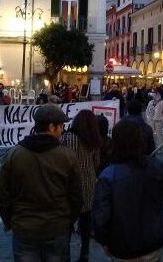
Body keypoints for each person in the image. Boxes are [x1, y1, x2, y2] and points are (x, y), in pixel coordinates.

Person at [0, 104, 82, 261]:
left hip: (25, 228)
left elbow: (2, 197)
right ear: (52, 127)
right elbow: (76, 197)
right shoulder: (68, 156)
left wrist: (11, 221)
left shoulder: (14, 154)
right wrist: (67, 221)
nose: (62, 130)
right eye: (61, 126)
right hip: (56, 227)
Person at [93, 118, 163, 261]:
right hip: (154, 241)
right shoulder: (158, 167)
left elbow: (101, 216)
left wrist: (103, 240)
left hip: (123, 246)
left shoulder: (108, 175)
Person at [61, 110, 101, 262]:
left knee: (68, 220)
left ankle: (66, 255)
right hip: (88, 180)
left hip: (70, 182)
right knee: (85, 219)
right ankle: (85, 253)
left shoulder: (67, 138)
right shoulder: (94, 140)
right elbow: (97, 162)